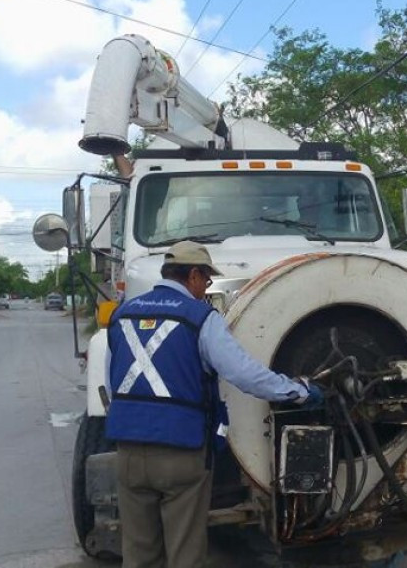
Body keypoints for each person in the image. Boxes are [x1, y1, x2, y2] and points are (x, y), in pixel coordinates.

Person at [105, 240, 322, 568]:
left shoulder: (122, 315)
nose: (205, 289)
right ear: (192, 275)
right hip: (180, 454)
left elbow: (112, 382)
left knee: (138, 555)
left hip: (128, 455)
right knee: (185, 554)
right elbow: (244, 374)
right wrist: (298, 391)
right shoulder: (200, 318)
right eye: (205, 281)